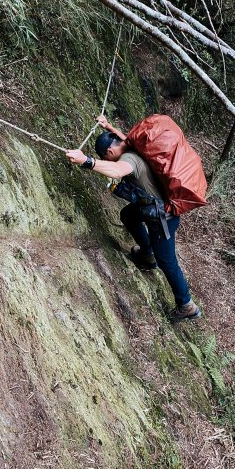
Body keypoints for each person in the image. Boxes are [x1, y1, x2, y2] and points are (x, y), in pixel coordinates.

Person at [65, 115, 201, 322]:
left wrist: (87, 161)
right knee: (128, 214)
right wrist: (109, 126)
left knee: (168, 261)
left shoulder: (129, 159)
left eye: (105, 156)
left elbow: (118, 169)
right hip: (152, 209)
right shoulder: (132, 145)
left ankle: (186, 305)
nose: (107, 158)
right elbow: (121, 140)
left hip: (162, 219)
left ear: (109, 152)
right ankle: (147, 254)